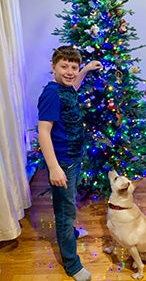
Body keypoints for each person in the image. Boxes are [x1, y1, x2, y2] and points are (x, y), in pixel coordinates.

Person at [37, 46, 103, 281]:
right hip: (63, 161)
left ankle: (72, 233)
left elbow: (73, 88)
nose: (69, 71)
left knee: (69, 199)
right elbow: (43, 132)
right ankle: (72, 264)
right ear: (53, 67)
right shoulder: (51, 93)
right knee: (65, 211)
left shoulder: (65, 89)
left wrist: (84, 69)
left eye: (73, 67)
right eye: (64, 66)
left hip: (74, 157)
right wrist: (54, 167)